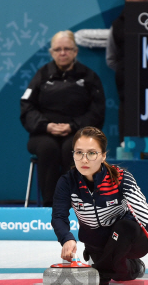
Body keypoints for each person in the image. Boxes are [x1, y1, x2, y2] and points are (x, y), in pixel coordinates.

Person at [51, 126, 148, 285]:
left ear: (103, 156)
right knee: (119, 272)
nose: (84, 159)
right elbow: (58, 216)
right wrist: (66, 238)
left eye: (91, 153)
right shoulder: (67, 182)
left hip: (130, 239)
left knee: (125, 226)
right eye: (79, 152)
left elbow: (142, 209)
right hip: (98, 243)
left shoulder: (121, 177)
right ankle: (130, 268)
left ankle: (100, 271)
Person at [21, 31, 105, 207]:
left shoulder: (89, 76)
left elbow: (97, 112)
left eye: (67, 49)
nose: (63, 53)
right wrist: (46, 126)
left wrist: (73, 126)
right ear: (52, 53)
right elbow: (27, 107)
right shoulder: (42, 75)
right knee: (47, 147)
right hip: (44, 133)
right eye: (58, 49)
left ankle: (76, 202)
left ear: (75, 52)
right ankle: (50, 204)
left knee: (74, 149)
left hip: (78, 132)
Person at [106, 0, 148, 144]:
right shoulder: (118, 26)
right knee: (129, 145)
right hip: (129, 93)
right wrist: (129, 71)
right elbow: (111, 59)